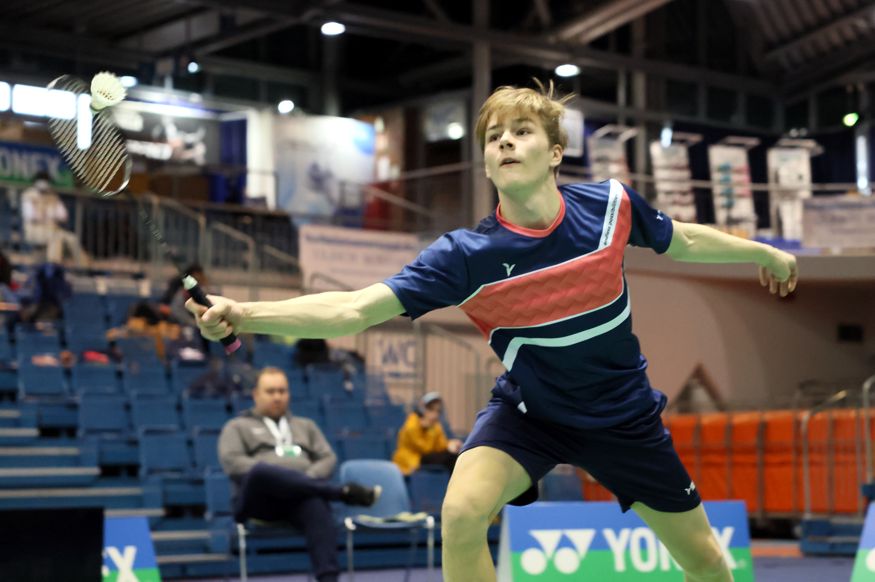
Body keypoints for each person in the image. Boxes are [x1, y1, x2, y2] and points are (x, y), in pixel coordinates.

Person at [190, 81, 798, 582]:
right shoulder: (466, 255)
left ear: (555, 152)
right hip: (531, 413)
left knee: (706, 563)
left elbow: (682, 239)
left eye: (521, 131)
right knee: (460, 511)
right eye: (493, 136)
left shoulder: (610, 208)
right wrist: (246, 314)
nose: (505, 141)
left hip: (623, 417)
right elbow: (354, 310)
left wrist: (762, 253)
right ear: (486, 161)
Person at [218, 367, 380, 582]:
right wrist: (281, 475)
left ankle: (329, 578)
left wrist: (305, 479)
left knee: (316, 504)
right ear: (256, 394)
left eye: (282, 391)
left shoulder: (306, 426)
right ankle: (340, 491)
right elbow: (233, 463)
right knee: (261, 471)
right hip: (258, 501)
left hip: (299, 498)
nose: (277, 397)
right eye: (270, 391)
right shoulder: (237, 426)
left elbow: (327, 458)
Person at [20, 172, 88, 267]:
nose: (45, 184)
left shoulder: (53, 196)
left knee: (72, 238)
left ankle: (84, 267)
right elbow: (31, 216)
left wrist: (48, 214)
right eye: (44, 181)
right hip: (35, 231)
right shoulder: (28, 195)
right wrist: (48, 215)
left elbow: (63, 215)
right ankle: (53, 267)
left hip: (53, 229)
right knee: (55, 238)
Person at [393, 391, 462, 475]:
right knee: (448, 457)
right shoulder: (412, 424)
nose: (435, 414)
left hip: (426, 457)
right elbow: (423, 448)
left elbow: (440, 445)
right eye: (431, 409)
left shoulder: (435, 425)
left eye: (438, 411)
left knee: (455, 455)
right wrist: (427, 429)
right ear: (422, 409)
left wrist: (450, 444)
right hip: (412, 460)